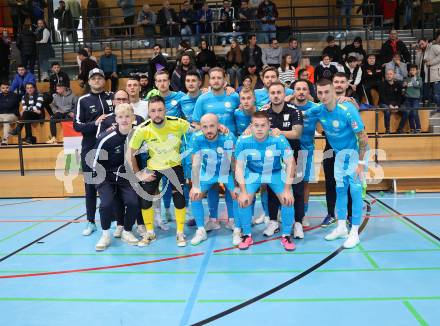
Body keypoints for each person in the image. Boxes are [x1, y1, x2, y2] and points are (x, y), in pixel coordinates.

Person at [308, 78, 368, 249]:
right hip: (339, 156)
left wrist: (361, 163)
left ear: (334, 91)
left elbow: (363, 137)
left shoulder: (347, 109)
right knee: (340, 190)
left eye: (327, 91)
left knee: (355, 192)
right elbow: (300, 111)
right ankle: (341, 227)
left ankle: (354, 232)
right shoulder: (319, 109)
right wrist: (289, 96)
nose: (323, 95)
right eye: (320, 92)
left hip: (355, 155)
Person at [127, 96, 190, 247]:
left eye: (160, 110)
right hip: (153, 167)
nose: (157, 114)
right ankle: (150, 233)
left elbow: (197, 128)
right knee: (145, 198)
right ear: (148, 112)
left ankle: (180, 233)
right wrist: (138, 174)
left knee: (180, 198)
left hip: (175, 165)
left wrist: (218, 127)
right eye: (153, 111)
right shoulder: (143, 129)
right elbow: (130, 154)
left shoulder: (178, 123)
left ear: (165, 110)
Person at [235, 111, 295, 250]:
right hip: (253, 173)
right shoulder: (243, 140)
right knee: (244, 201)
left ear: (269, 126)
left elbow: (291, 163)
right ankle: (247, 235)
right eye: (256, 125)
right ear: (251, 126)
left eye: (263, 125)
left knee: (288, 200)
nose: (260, 128)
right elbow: (238, 167)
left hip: (274, 172)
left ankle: (286, 236)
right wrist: (243, 191)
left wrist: (287, 190)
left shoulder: (278, 139)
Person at [192, 68, 241, 228]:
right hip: (209, 147)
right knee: (211, 184)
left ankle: (232, 220)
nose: (216, 80)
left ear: (224, 79)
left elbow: (242, 113)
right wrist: (212, 128)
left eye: (219, 77)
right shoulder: (203, 99)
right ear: (209, 80)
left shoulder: (233, 96)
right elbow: (195, 123)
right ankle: (213, 220)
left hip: (230, 147)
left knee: (231, 186)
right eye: (212, 78)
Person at [93, 103, 141, 251]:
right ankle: (106, 234)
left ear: (133, 117)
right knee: (106, 204)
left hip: (126, 176)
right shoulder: (106, 137)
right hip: (105, 176)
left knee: (133, 202)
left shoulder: (139, 135)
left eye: (127, 116)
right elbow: (94, 162)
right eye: (120, 117)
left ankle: (127, 230)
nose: (124, 120)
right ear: (116, 119)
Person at [74, 68, 114, 236]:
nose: (97, 80)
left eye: (100, 78)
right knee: (90, 187)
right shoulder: (82, 100)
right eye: (94, 78)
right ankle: (91, 221)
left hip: (111, 150)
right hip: (90, 151)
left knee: (113, 185)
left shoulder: (113, 97)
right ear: (89, 81)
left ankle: (116, 221)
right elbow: (77, 125)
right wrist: (95, 123)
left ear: (104, 80)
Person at [263, 81, 304, 240]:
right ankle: (273, 221)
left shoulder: (294, 110)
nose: (276, 95)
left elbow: (297, 133)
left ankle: (298, 223)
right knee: (273, 189)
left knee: (297, 189)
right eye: (273, 93)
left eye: (279, 92)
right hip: (272, 157)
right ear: (269, 95)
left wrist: (279, 132)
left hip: (295, 154)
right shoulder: (264, 111)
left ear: (284, 93)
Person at [189, 113, 238, 245]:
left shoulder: (228, 137)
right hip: (207, 173)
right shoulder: (196, 138)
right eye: (205, 127)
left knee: (236, 194)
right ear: (201, 127)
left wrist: (237, 185)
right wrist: (195, 186)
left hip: (225, 172)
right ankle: (201, 230)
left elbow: (234, 163)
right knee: (195, 195)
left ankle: (235, 225)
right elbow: (195, 163)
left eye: (212, 126)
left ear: (219, 126)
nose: (209, 130)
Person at [290, 79, 320, 228]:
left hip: (306, 150)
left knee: (304, 183)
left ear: (309, 92)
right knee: (286, 183)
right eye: (298, 89)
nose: (301, 92)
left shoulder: (316, 108)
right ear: (293, 91)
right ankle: (283, 212)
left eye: (304, 89)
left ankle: (303, 215)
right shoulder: (286, 106)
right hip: (288, 151)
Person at [420, 31, 440, 113]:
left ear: (427, 42)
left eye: (422, 43)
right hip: (427, 75)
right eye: (420, 44)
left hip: (435, 75)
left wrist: (430, 62)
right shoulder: (424, 50)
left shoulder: (434, 46)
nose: (421, 45)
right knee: (430, 95)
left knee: (436, 94)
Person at [379, 69, 404, 133]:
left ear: (394, 75)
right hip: (384, 103)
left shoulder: (398, 84)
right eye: (387, 74)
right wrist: (389, 105)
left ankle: (400, 128)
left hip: (396, 103)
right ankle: (387, 129)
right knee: (387, 111)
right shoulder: (382, 84)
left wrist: (397, 105)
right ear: (385, 76)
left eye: (391, 74)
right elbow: (382, 97)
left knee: (407, 111)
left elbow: (400, 97)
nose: (389, 76)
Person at [403, 64, 422, 133]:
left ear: (416, 71)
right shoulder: (407, 78)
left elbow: (418, 85)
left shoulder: (419, 78)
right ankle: (412, 128)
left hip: (416, 98)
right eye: (411, 70)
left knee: (415, 112)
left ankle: (418, 128)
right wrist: (404, 86)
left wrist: (413, 77)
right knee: (410, 113)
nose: (412, 71)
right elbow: (404, 87)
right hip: (408, 98)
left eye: (413, 70)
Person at [0, 81, 20, 145]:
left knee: (6, 120)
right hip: (1, 115)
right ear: (0, 89)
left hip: (12, 115)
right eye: (3, 88)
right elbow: (7, 105)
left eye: (7, 87)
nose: (5, 89)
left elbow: (10, 105)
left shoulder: (15, 95)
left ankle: (5, 141)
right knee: (3, 119)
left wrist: (2, 105)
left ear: (10, 88)